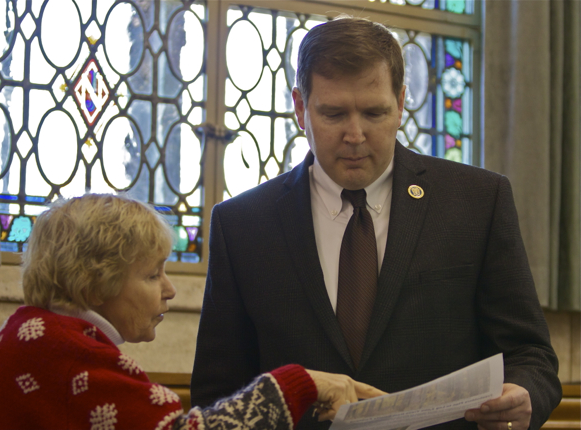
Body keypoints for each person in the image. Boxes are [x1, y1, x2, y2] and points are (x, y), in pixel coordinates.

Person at [191, 16, 562, 430]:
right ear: (300, 107)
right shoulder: (242, 225)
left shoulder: (477, 201)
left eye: (374, 113)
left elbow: (532, 356)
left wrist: (524, 394)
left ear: (401, 103)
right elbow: (217, 396)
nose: (355, 135)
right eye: (333, 114)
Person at [0, 194, 384, 430]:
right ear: (94, 281)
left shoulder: (36, 333)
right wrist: (301, 382)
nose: (171, 289)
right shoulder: (63, 351)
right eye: (153, 275)